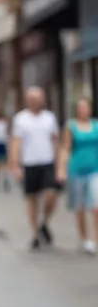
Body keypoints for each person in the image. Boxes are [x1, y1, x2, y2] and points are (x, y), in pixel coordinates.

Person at [9, 86, 60, 250]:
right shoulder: (21, 119)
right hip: (29, 163)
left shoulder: (49, 118)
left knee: (51, 194)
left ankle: (44, 222)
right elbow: (16, 143)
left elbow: (55, 141)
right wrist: (15, 165)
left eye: (39, 98)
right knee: (32, 199)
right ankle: (35, 232)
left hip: (47, 161)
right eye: (33, 98)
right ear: (27, 100)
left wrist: (60, 165)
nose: (36, 101)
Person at [58, 97, 98, 254]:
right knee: (80, 207)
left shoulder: (96, 125)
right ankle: (84, 238)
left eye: (85, 107)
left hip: (95, 169)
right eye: (80, 107)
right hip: (77, 169)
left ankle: (95, 239)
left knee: (95, 207)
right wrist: (62, 169)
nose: (83, 110)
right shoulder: (71, 126)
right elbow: (65, 148)